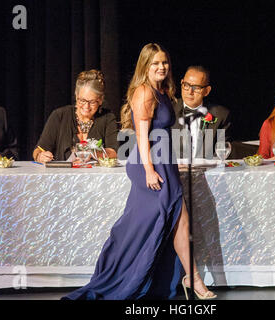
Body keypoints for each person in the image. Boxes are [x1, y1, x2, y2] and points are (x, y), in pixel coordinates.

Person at [63, 43, 216, 300]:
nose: (161, 67)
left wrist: (167, 161)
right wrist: (148, 170)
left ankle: (192, 277)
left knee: (180, 218)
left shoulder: (163, 90)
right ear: (145, 66)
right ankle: (120, 273)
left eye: (164, 62)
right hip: (149, 162)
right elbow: (143, 136)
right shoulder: (144, 92)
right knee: (140, 226)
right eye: (155, 63)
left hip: (163, 160)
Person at [33, 70, 118, 163]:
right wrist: (39, 156)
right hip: (62, 175)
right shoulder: (59, 116)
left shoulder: (107, 118)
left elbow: (114, 152)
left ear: (101, 100)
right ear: (76, 95)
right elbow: (38, 150)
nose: (86, 106)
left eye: (92, 102)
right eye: (82, 100)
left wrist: (93, 153)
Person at [171, 66, 231, 159]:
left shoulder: (221, 115)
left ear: (207, 91)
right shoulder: (168, 110)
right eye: (186, 85)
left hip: (207, 171)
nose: (190, 92)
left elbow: (221, 153)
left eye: (197, 88)